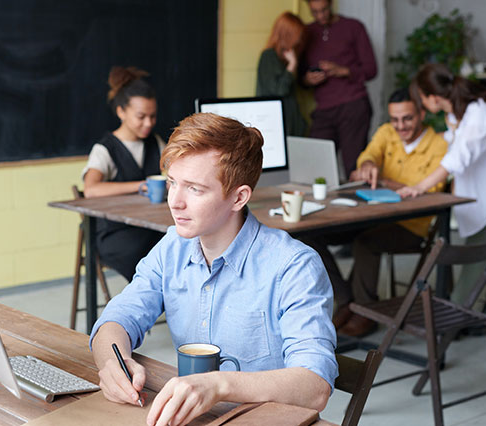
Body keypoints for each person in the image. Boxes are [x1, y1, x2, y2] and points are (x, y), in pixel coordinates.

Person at [90, 113, 338, 426]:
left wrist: (218, 385)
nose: (175, 202)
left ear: (238, 197)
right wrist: (114, 362)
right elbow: (116, 320)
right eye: (172, 183)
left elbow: (315, 387)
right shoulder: (172, 247)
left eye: (194, 189)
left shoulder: (293, 266)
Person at [303, 88, 449, 337]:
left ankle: (365, 312)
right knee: (308, 236)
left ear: (422, 113)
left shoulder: (439, 144)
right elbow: (368, 155)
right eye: (395, 119)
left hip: (411, 225)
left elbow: (427, 190)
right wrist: (368, 165)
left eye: (408, 118)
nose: (400, 126)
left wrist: (381, 180)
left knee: (366, 244)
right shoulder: (386, 132)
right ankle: (346, 298)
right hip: (372, 213)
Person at [398, 63, 486, 312]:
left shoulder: (479, 111)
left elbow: (458, 158)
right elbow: (455, 146)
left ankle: (454, 312)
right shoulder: (459, 112)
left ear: (432, 96)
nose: (421, 104)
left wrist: (419, 187)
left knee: (481, 243)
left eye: (421, 98)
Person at [82, 66, 165, 282]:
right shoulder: (104, 149)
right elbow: (90, 189)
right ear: (121, 112)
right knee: (155, 255)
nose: (148, 123)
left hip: (151, 226)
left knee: (180, 244)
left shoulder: (156, 143)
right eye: (141, 116)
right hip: (117, 233)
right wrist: (140, 185)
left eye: (153, 116)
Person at [302, 0, 377, 175]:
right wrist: (308, 79)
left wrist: (342, 70)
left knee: (354, 166)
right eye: (315, 12)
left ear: (331, 4)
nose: (321, 16)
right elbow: (300, 77)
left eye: (324, 10)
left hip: (353, 106)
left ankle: (360, 202)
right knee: (317, 167)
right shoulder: (307, 32)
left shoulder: (354, 27)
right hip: (323, 109)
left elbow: (372, 70)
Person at [256, 11, 308, 136]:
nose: (299, 40)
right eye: (297, 36)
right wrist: (292, 66)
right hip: (276, 126)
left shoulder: (284, 59)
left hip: (290, 127)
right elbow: (279, 90)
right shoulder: (268, 57)